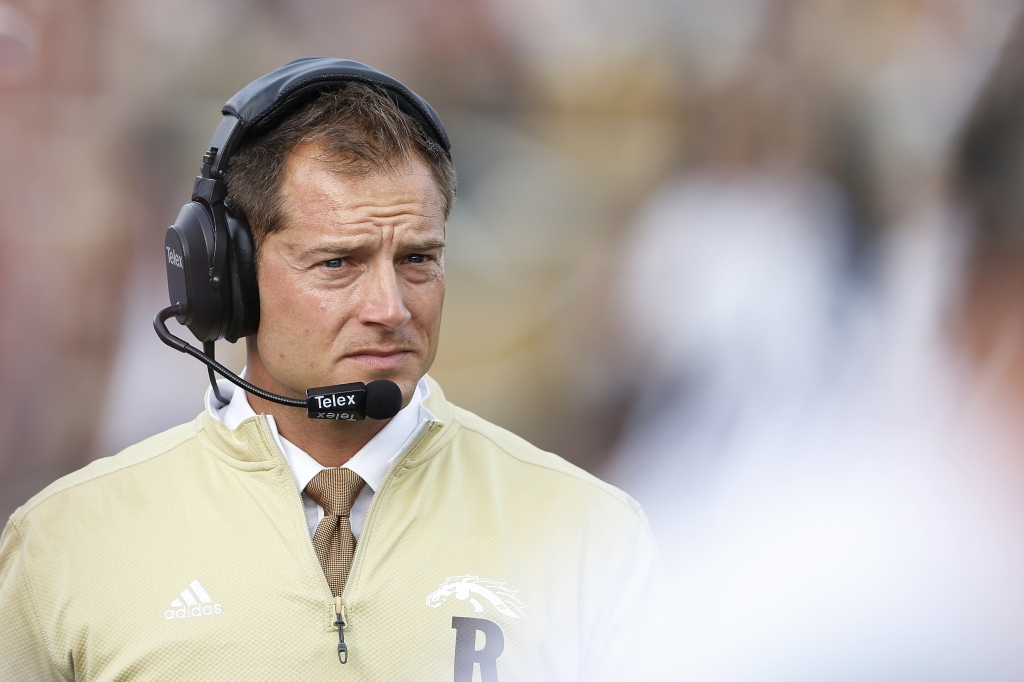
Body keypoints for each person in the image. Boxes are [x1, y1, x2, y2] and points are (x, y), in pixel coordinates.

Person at [0, 59, 674, 681]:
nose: (390, 308)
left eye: (417, 259)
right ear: (227, 279)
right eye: (337, 264)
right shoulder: (66, 544)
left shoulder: (590, 535)